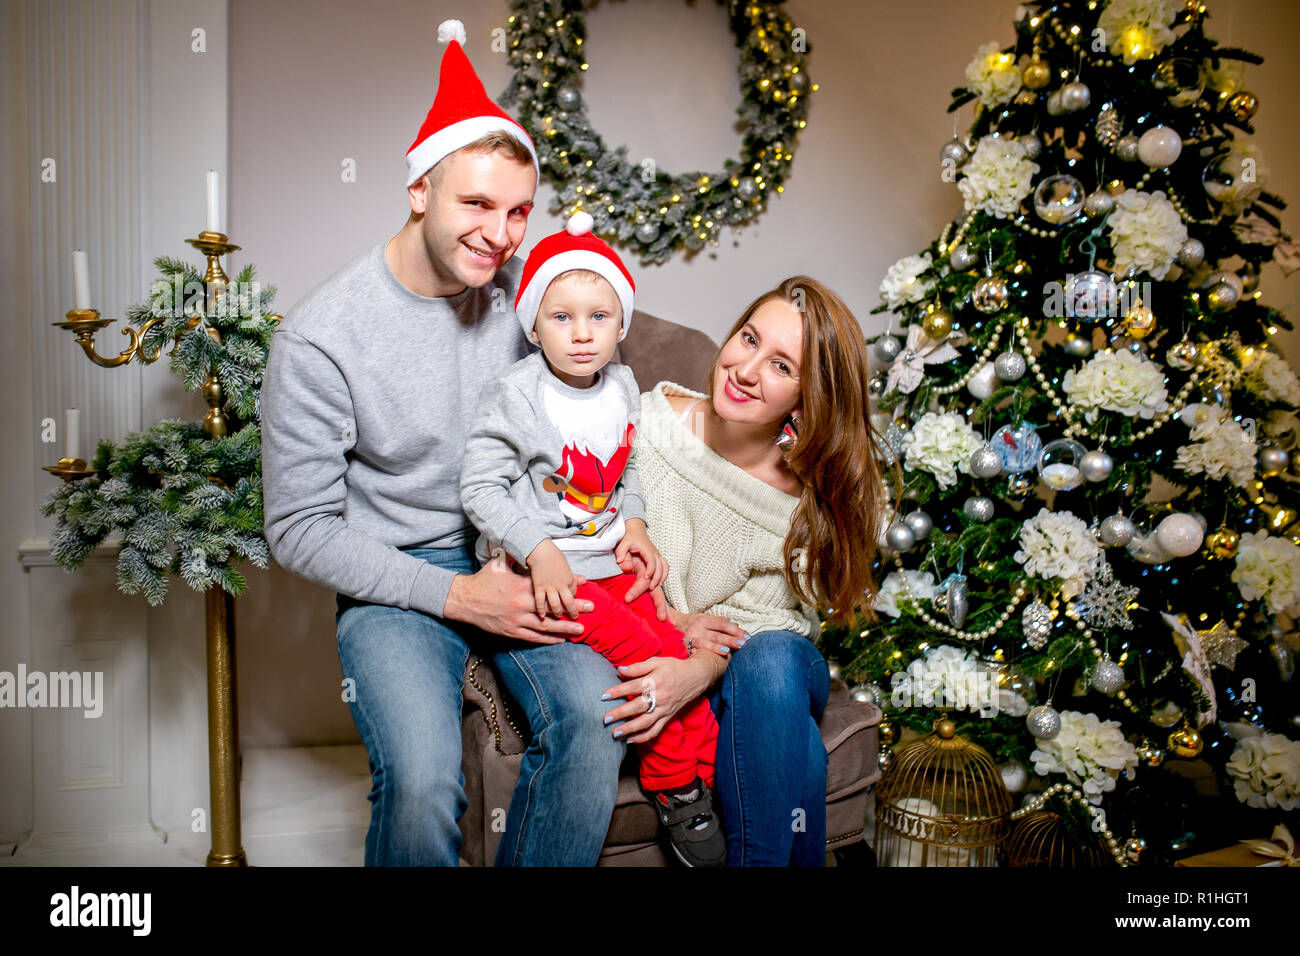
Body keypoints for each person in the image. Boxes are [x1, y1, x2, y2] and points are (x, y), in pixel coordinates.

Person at [260, 20, 640, 866]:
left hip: (527, 549)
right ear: (420, 190)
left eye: (516, 212)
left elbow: (607, 390)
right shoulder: (322, 337)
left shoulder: (525, 301)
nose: (501, 235)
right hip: (398, 576)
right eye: (476, 204)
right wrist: (458, 598)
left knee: (593, 720)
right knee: (426, 780)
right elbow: (297, 528)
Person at [459, 212, 726, 866]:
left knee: (672, 645)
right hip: (547, 579)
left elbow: (627, 468)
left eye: (598, 317)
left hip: (611, 564)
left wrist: (633, 526)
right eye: (561, 317)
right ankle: (676, 784)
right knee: (641, 655)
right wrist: (539, 550)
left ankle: (709, 771)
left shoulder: (623, 387)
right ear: (532, 325)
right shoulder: (517, 396)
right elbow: (479, 490)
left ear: (621, 324)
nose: (581, 335)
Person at [598, 276, 885, 866]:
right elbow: (597, 552)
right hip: (666, 644)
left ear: (809, 397)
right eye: (748, 339)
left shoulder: (801, 501)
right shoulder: (642, 423)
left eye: (781, 365)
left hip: (763, 661)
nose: (746, 369)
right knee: (800, 749)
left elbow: (768, 628)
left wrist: (701, 667)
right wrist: (679, 631)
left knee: (772, 660)